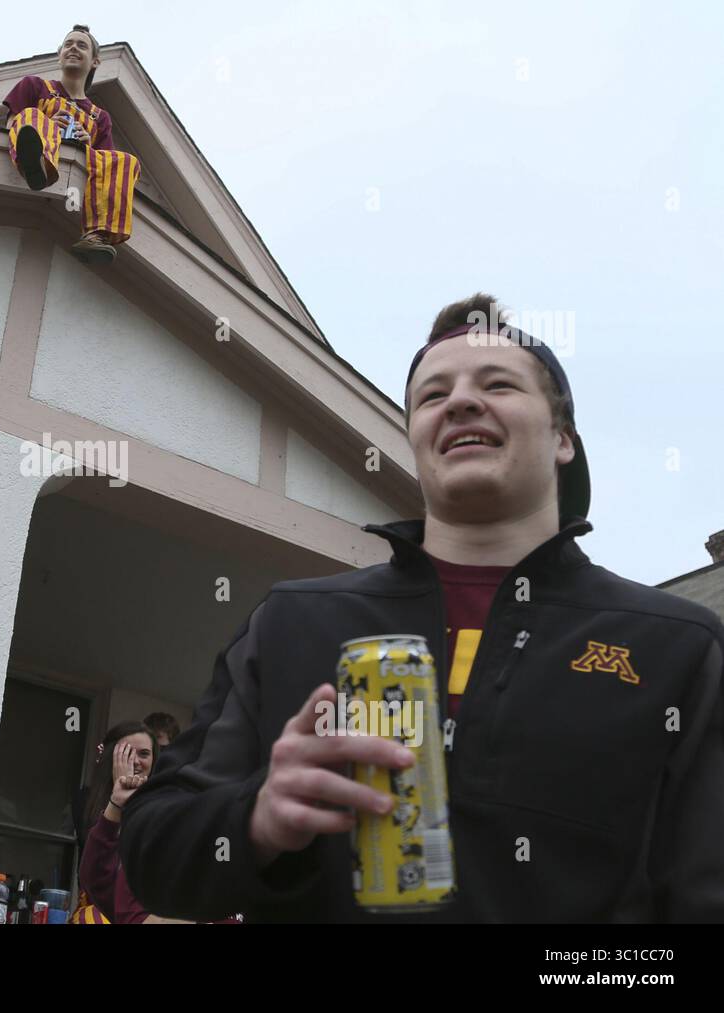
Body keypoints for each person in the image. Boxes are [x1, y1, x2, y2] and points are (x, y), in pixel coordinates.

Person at [121, 293, 724, 923]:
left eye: (497, 383)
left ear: (564, 437)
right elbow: (154, 856)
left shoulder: (675, 644)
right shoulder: (291, 622)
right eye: (433, 396)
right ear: (414, 437)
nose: (461, 401)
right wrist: (258, 817)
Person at [3, 25, 142, 264]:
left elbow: (105, 165)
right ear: (59, 55)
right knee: (30, 116)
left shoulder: (100, 117)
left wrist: (88, 146)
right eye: (68, 44)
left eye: (81, 45)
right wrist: (46, 123)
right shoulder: (36, 86)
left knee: (126, 160)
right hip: (40, 147)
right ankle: (36, 163)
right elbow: (11, 123)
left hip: (79, 166)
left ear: (95, 61)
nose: (73, 48)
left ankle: (97, 234)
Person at [73, 722, 155, 923]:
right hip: (98, 909)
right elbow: (96, 867)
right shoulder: (86, 798)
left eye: (144, 754)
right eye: (126, 752)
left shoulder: (164, 805)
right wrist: (119, 800)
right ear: (111, 754)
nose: (135, 761)